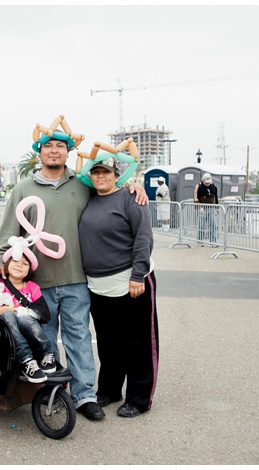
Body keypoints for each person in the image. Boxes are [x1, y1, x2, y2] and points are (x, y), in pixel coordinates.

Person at [0, 123, 148, 422]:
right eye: (48, 146)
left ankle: (85, 395)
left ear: (68, 151)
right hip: (38, 283)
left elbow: (109, 189)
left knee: (79, 338)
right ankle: (51, 392)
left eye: (60, 146)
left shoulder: (82, 183)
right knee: (44, 340)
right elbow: (9, 230)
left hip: (78, 279)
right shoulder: (24, 188)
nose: (54, 150)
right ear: (40, 152)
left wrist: (133, 186)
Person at [78, 158, 158, 418]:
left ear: (116, 175)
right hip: (98, 286)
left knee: (137, 343)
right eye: (96, 172)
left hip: (131, 282)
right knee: (108, 344)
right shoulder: (88, 197)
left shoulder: (131, 198)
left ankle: (139, 398)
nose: (100, 176)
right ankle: (110, 390)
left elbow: (143, 237)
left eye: (106, 172)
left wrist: (137, 275)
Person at [0, 252, 57, 383]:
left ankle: (46, 352)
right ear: (7, 264)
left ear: (29, 270)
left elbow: (43, 312)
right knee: (8, 314)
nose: (19, 265)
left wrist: (24, 311)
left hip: (28, 327)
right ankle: (26, 360)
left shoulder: (33, 287)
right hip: (8, 330)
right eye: (15, 261)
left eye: (25, 264)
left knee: (25, 318)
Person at [193, 173, 218, 246]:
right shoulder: (199, 186)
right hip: (202, 208)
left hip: (212, 207)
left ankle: (212, 241)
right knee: (201, 224)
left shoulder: (213, 186)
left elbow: (215, 197)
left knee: (213, 224)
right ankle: (200, 240)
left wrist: (217, 207)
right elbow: (195, 197)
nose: (207, 183)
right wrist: (199, 206)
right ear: (203, 180)